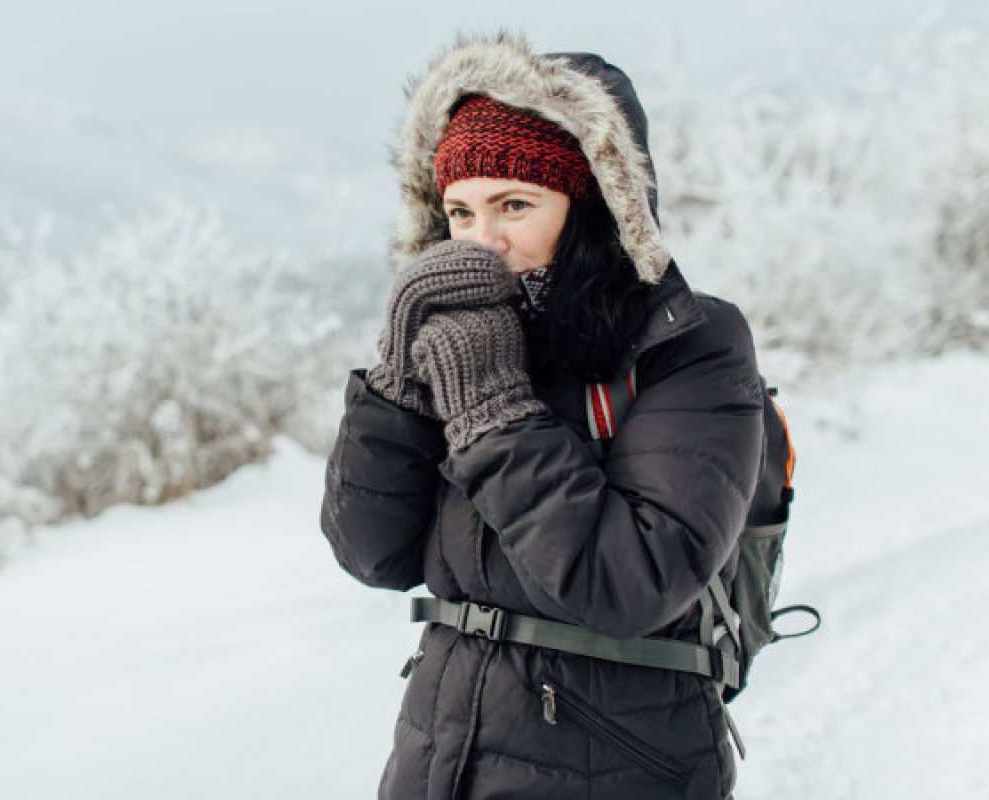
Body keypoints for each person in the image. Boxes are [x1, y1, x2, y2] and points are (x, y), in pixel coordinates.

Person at [320, 33, 763, 800]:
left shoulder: (688, 341)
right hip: (439, 755)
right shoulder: (457, 342)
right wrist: (398, 382)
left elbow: (631, 585)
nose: (482, 243)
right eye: (460, 212)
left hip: (623, 762)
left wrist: (493, 410)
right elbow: (372, 555)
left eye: (515, 205)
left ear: (592, 207)